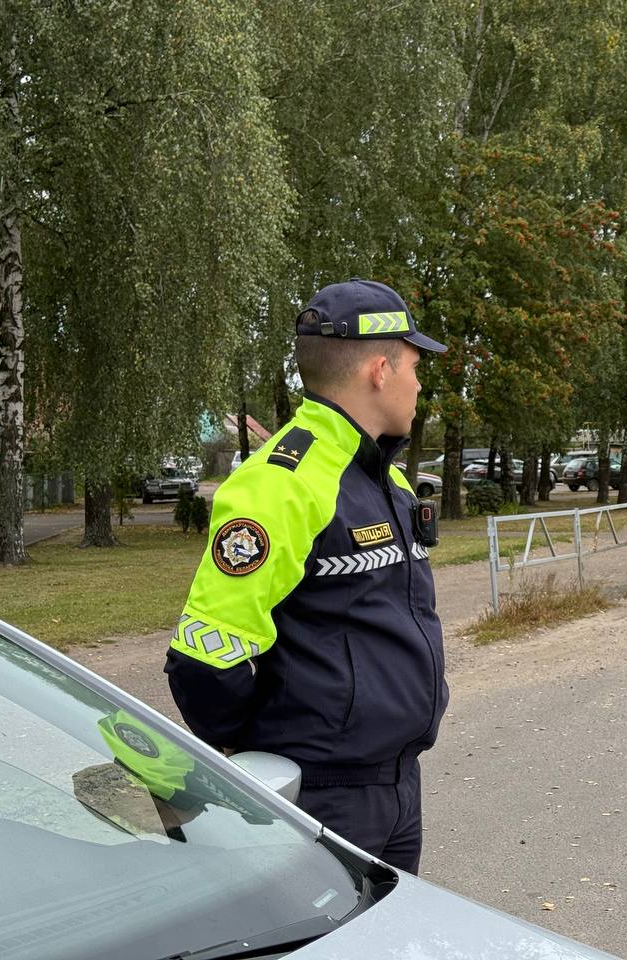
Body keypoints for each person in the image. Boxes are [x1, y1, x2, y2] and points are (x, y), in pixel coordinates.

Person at [165, 277, 448, 871]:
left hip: (396, 786)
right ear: (380, 370)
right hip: (317, 794)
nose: (419, 384)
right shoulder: (282, 483)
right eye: (415, 367)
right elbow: (204, 656)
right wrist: (254, 754)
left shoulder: (386, 478)